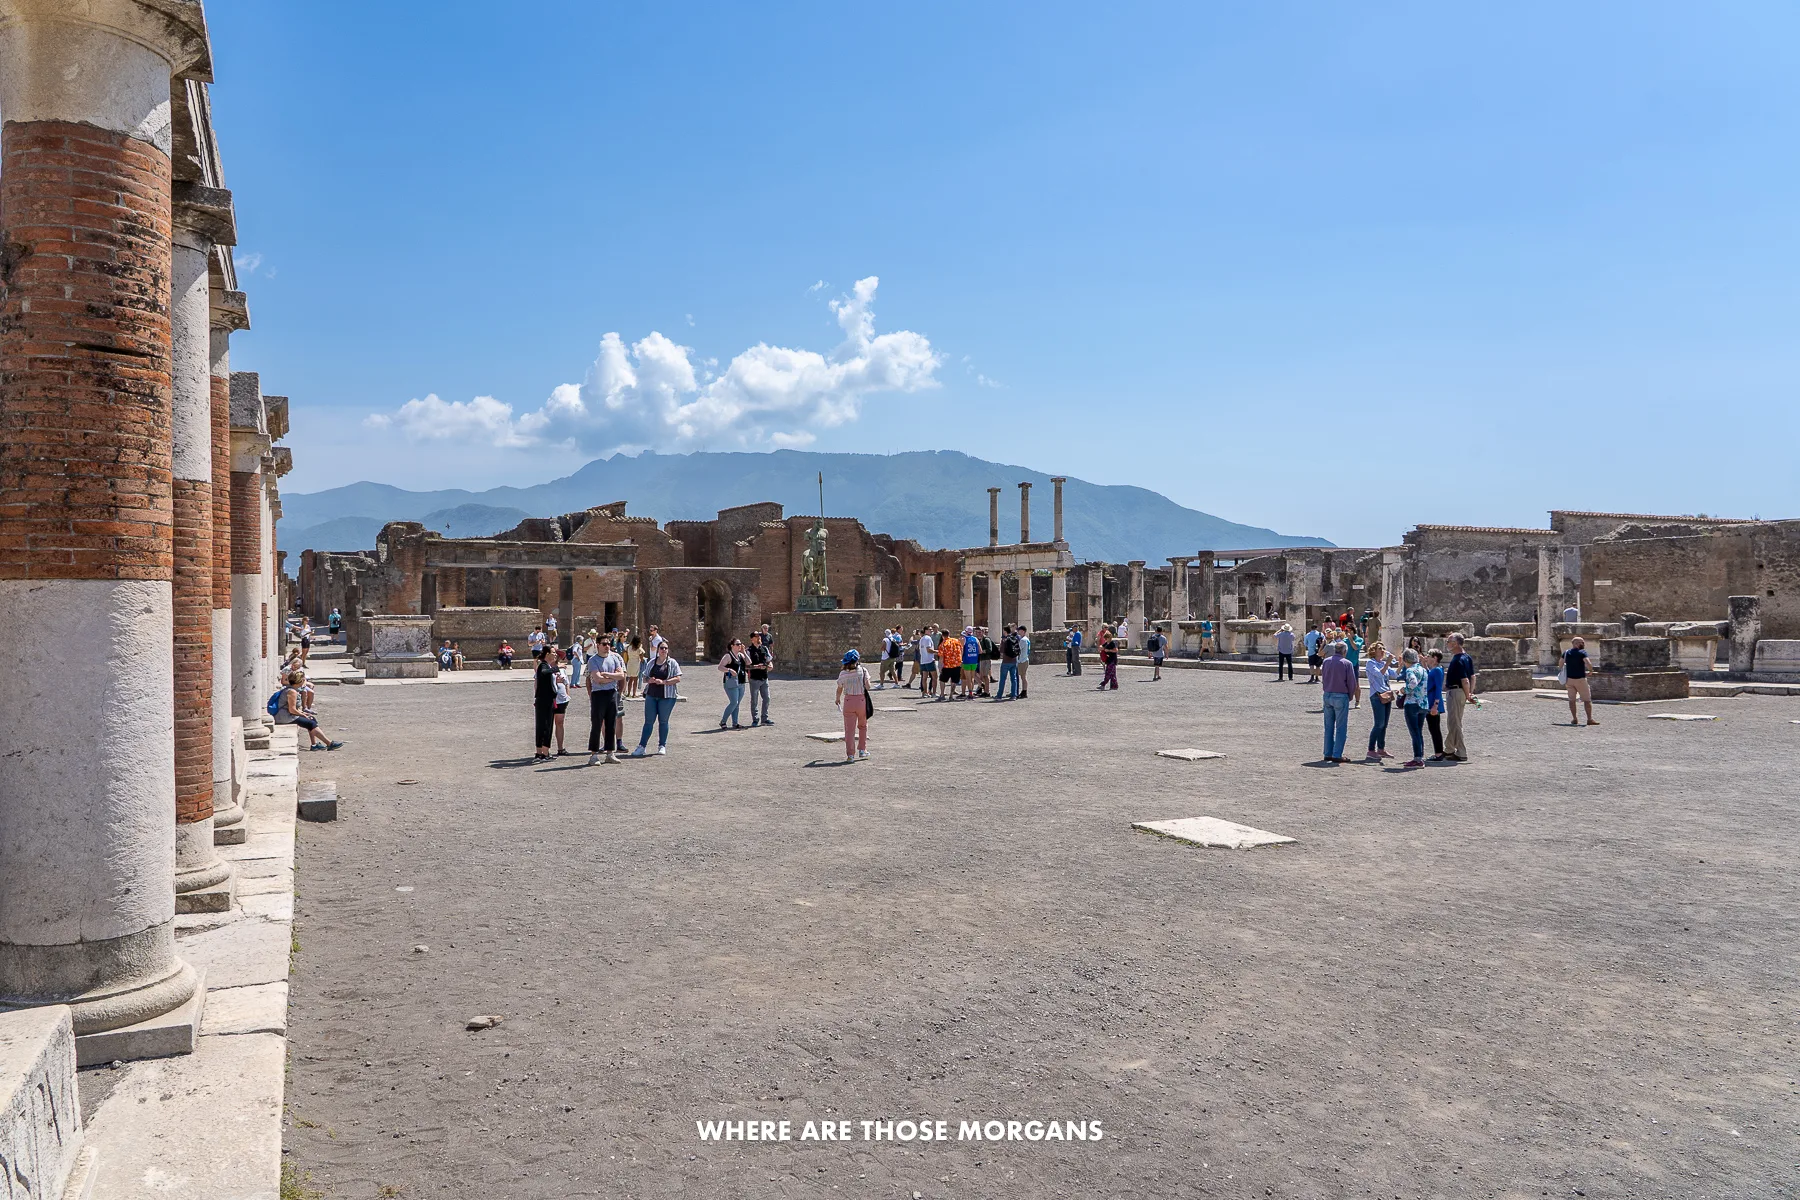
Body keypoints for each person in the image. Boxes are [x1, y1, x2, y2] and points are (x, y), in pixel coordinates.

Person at [632, 641, 682, 756]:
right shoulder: (652, 662)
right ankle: (642, 746)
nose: (664, 650)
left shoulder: (672, 663)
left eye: (666, 648)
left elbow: (678, 678)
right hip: (652, 695)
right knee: (648, 722)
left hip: (667, 696)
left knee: (663, 721)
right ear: (658, 650)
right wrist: (650, 680)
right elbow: (644, 677)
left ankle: (662, 745)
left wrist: (664, 682)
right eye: (662, 648)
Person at [273, 669, 341, 750]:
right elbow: (292, 709)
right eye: (303, 679)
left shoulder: (292, 689)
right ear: (299, 681)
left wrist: (303, 713)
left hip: (287, 714)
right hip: (284, 716)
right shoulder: (292, 692)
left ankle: (314, 745)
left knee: (312, 719)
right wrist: (303, 714)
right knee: (310, 723)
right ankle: (329, 743)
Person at [585, 635, 626, 764]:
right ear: (598, 645)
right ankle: (593, 755)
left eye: (608, 644)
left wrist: (608, 675)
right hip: (598, 694)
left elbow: (621, 675)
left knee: (611, 724)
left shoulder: (615, 658)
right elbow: (597, 679)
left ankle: (610, 753)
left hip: (612, 693)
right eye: (604, 644)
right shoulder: (593, 660)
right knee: (597, 724)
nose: (607, 646)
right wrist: (613, 677)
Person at [1320, 640, 1359, 763]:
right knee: (1341, 727)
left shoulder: (1326, 661)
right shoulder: (1347, 663)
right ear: (1344, 651)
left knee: (1328, 726)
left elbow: (1323, 677)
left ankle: (1327, 752)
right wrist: (1351, 695)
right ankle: (1337, 754)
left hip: (1327, 694)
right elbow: (1352, 683)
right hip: (1341, 695)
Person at [834, 649, 872, 761]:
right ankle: (862, 750)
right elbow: (868, 686)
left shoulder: (843, 674)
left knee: (849, 730)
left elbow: (839, 688)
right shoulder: (863, 671)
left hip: (848, 701)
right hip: (861, 700)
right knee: (863, 726)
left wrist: (837, 699)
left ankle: (850, 755)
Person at [1443, 633, 1476, 762]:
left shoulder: (1458, 660)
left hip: (1456, 692)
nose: (1447, 644)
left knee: (1455, 723)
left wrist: (1468, 694)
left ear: (1455, 643)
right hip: (1460, 692)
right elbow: (1473, 677)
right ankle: (1449, 748)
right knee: (1454, 721)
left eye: (1449, 641)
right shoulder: (1467, 657)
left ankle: (1461, 752)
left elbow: (1466, 680)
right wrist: (1470, 693)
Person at [1363, 642, 1396, 761]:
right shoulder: (1370, 663)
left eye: (1383, 648)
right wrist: (1387, 663)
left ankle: (1381, 748)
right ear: (1373, 651)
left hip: (1386, 694)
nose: (1382, 650)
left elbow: (1395, 674)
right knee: (1379, 723)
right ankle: (1371, 749)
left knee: (1384, 724)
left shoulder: (1382, 663)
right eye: (1379, 648)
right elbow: (1379, 674)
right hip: (1376, 695)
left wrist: (1401, 663)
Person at [1398, 648, 1430, 767]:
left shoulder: (1410, 670)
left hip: (1412, 703)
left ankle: (1417, 758)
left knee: (1414, 732)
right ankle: (1420, 755)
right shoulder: (1423, 669)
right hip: (1423, 703)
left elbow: (1412, 683)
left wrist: (1403, 690)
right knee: (1419, 732)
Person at [1563, 635, 1598, 726]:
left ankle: (1574, 719)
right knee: (1587, 700)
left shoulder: (1566, 652)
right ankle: (1589, 719)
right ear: (1577, 643)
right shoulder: (1582, 652)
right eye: (1582, 642)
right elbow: (1588, 662)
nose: (1583, 644)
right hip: (1580, 679)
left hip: (1569, 679)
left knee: (1572, 700)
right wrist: (1590, 670)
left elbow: (1560, 664)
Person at [532, 649, 558, 762]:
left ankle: (540, 752)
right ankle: (544, 753)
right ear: (547, 654)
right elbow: (543, 673)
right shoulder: (543, 665)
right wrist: (557, 668)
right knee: (546, 726)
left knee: (542, 725)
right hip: (545, 700)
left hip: (544, 700)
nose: (555, 654)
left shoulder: (545, 665)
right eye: (553, 652)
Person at [718, 637, 749, 730]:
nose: (739, 646)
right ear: (732, 646)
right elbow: (720, 667)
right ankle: (723, 721)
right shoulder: (728, 656)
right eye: (737, 644)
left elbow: (749, 662)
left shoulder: (741, 655)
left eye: (740, 644)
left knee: (737, 703)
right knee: (733, 702)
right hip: (731, 682)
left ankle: (735, 723)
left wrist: (744, 652)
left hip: (741, 681)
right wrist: (729, 669)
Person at [746, 631, 774, 725]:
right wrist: (757, 666)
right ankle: (755, 719)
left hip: (764, 677)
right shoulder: (749, 651)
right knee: (754, 700)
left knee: (767, 698)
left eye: (759, 636)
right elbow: (746, 666)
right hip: (754, 678)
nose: (759, 637)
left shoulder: (764, 648)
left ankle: (764, 718)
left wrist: (770, 665)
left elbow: (769, 660)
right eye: (756, 636)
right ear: (752, 639)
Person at [1425, 649, 1448, 760]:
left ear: (1435, 658)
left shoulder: (1437, 670)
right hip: (1430, 701)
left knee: (1435, 728)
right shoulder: (1434, 670)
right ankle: (1438, 752)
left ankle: (1439, 753)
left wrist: (1436, 705)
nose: (1427, 657)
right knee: (1433, 728)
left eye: (1429, 656)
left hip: (1433, 703)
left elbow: (1438, 688)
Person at [550, 648, 571, 756]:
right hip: (550, 699)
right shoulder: (546, 667)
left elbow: (566, 682)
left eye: (557, 655)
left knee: (559, 723)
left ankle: (560, 748)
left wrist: (567, 695)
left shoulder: (562, 668)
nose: (556, 657)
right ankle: (545, 750)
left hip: (562, 699)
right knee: (548, 724)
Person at [936, 626, 962, 700]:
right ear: (949, 634)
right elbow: (961, 650)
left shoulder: (943, 644)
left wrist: (940, 667)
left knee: (942, 680)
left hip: (947, 665)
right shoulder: (956, 641)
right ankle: (951, 695)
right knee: (954, 680)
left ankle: (942, 695)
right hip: (957, 664)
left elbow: (941, 657)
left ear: (942, 635)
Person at [996, 624, 1021, 701]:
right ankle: (1014, 695)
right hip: (1014, 661)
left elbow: (1001, 651)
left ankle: (999, 695)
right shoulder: (1015, 638)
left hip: (1006, 661)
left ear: (1005, 631)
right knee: (1014, 679)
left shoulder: (1005, 640)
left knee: (1003, 679)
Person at [917, 625, 938, 697]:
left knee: (924, 677)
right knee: (935, 677)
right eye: (930, 629)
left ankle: (924, 693)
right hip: (929, 660)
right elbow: (929, 650)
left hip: (923, 660)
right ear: (926, 630)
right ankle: (934, 693)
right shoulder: (928, 638)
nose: (931, 631)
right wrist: (938, 651)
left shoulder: (922, 639)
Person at [960, 625, 980, 698]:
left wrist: (960, 659)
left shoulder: (964, 639)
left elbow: (961, 650)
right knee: (972, 677)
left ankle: (970, 693)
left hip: (967, 660)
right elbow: (980, 651)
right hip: (974, 660)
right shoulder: (976, 639)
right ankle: (971, 691)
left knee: (968, 678)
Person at [1098, 626, 1119, 690]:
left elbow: (1116, 650)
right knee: (1112, 674)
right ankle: (1114, 686)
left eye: (1106, 638)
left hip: (1112, 660)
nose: (1105, 640)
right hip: (1108, 660)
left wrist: (1109, 650)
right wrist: (1101, 647)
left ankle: (1103, 684)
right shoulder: (1106, 643)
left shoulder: (1112, 643)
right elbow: (1102, 646)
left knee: (1108, 673)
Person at [1016, 627, 1032, 698]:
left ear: (1022, 631)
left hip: (1022, 660)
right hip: (1025, 659)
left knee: (1023, 677)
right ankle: (1023, 691)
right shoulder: (1026, 639)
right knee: (1023, 676)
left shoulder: (1022, 640)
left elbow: (1018, 649)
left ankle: (1024, 691)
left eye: (1019, 631)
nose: (1018, 632)